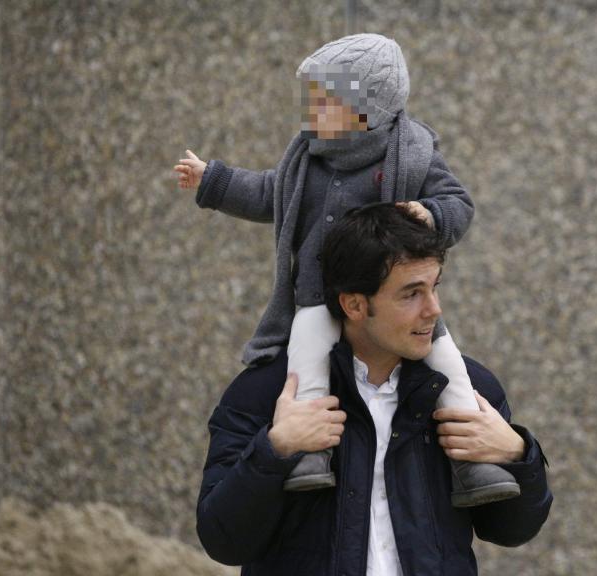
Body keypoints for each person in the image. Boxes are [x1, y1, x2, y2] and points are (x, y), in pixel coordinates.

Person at [174, 33, 518, 504]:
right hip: (319, 292)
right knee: (306, 360)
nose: (311, 115)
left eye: (325, 103)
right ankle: (310, 452)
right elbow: (266, 194)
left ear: (368, 108)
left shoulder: (412, 153)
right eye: (311, 103)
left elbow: (458, 203)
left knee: (447, 365)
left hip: (387, 294)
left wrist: (428, 213)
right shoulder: (306, 161)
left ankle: (473, 463)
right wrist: (212, 179)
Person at [196, 204, 552, 574]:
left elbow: (512, 530)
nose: (434, 310)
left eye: (434, 287)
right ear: (354, 304)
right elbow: (223, 541)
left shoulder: (467, 389)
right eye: (411, 294)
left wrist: (517, 453)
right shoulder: (268, 391)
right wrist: (275, 450)